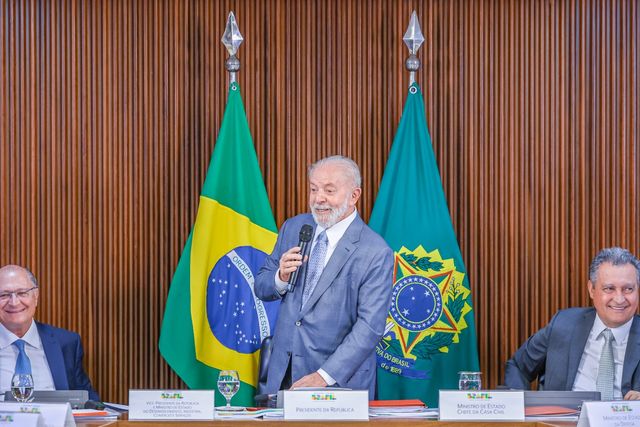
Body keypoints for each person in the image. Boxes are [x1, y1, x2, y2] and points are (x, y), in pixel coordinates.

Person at [255, 155, 393, 398]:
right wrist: (280, 278)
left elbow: (370, 327)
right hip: (283, 375)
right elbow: (261, 286)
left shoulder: (375, 251)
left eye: (329, 190)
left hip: (338, 384)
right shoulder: (294, 228)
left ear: (354, 195)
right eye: (313, 189)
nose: (318, 198)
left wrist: (323, 376)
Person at [504, 247, 640, 400]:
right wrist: (518, 406)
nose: (619, 299)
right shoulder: (563, 324)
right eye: (609, 289)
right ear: (592, 289)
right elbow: (518, 366)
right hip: (562, 414)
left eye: (628, 289)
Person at [0, 265, 100, 401]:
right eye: (4, 295)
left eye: (22, 293)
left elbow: (88, 401)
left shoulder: (67, 343)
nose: (14, 302)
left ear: (36, 296)